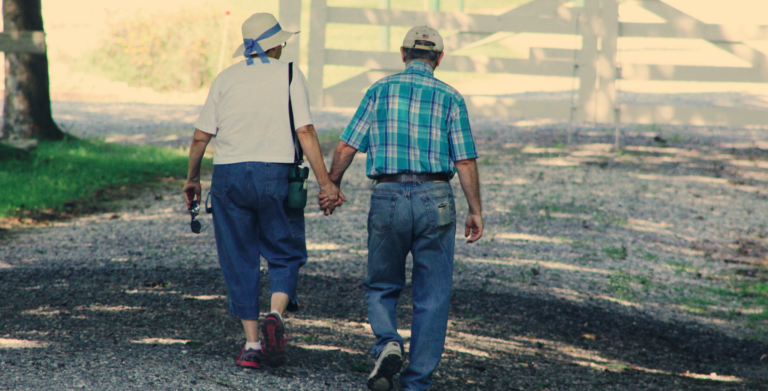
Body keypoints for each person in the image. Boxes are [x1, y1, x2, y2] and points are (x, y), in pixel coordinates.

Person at [324, 26, 484, 391]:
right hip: (436, 196)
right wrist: (475, 209)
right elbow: (465, 160)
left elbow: (347, 146)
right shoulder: (451, 97)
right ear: (439, 59)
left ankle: (388, 341)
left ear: (403, 54)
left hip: (388, 194)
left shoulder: (379, 91)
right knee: (433, 293)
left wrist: (332, 185)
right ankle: (417, 382)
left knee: (381, 283)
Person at [183, 13, 342, 370]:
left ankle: (253, 344)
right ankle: (276, 314)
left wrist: (192, 178)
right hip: (276, 173)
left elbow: (200, 137)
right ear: (274, 44)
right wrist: (326, 184)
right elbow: (305, 131)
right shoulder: (288, 73)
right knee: (284, 250)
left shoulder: (225, 78)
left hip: (229, 176)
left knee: (239, 257)